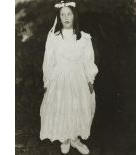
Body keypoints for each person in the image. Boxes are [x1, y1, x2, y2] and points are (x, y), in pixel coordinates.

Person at [40, 0, 98, 154]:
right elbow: (49, 61)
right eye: (62, 14)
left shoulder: (83, 38)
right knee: (62, 107)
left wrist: (89, 79)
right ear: (59, 17)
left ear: (74, 16)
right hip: (60, 79)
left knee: (77, 107)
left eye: (69, 14)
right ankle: (65, 138)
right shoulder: (54, 38)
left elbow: (88, 60)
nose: (66, 17)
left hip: (78, 78)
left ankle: (74, 138)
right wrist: (47, 81)